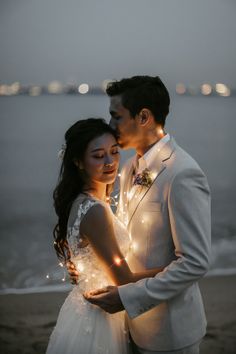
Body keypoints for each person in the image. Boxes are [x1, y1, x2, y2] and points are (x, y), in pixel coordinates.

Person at [79, 76, 211, 354]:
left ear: (143, 117)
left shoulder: (182, 174)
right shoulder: (128, 168)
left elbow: (195, 263)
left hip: (170, 334)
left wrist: (128, 297)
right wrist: (91, 267)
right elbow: (124, 241)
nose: (111, 127)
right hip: (130, 325)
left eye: (116, 116)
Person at [46, 118, 163, 354]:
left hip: (85, 308)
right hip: (99, 317)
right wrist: (176, 268)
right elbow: (124, 278)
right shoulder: (94, 210)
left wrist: (155, 176)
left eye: (114, 152)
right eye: (98, 156)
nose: (110, 162)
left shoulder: (91, 201)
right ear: (78, 161)